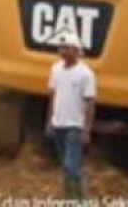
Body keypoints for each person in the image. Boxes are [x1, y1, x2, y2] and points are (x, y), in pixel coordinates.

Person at [46, 31, 96, 199]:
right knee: (64, 163)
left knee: (71, 164)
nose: (62, 51)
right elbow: (53, 95)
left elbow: (90, 102)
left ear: (76, 51)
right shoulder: (55, 69)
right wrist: (50, 120)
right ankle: (68, 196)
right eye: (61, 48)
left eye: (67, 48)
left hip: (75, 125)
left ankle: (80, 199)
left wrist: (86, 130)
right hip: (58, 123)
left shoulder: (85, 74)